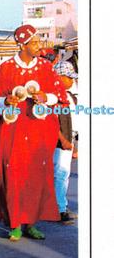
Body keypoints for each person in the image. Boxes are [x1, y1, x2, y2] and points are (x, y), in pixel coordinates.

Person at [0, 24, 68, 241]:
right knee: (13, 174)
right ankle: (14, 224)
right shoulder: (5, 68)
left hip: (38, 131)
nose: (39, 46)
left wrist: (44, 97)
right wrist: (6, 101)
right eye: (34, 42)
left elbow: (59, 95)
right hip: (12, 131)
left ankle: (30, 222)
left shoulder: (45, 68)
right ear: (22, 44)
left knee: (35, 175)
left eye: (38, 41)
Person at [53, 60, 78, 223]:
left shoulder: (68, 95)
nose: (72, 80)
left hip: (69, 138)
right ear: (60, 77)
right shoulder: (54, 97)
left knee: (63, 174)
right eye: (69, 77)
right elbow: (52, 120)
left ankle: (59, 206)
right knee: (60, 174)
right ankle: (59, 209)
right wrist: (63, 140)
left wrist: (73, 143)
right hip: (60, 141)